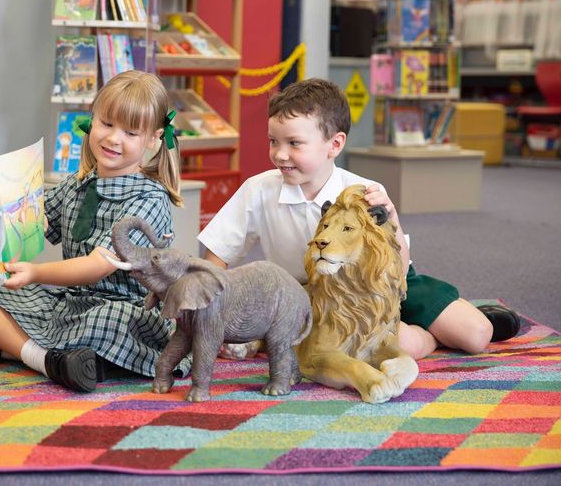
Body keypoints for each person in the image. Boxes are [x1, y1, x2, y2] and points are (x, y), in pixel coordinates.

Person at [198, 78, 520, 360]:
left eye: (294, 143)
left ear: (334, 144)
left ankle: (461, 320)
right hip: (312, 298)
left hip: (387, 286)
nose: (280, 154)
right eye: (273, 141)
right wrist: (209, 312)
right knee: (400, 345)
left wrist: (391, 216)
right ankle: (428, 337)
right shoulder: (258, 190)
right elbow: (217, 257)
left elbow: (400, 267)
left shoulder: (364, 192)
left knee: (476, 336)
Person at [0, 70, 191, 392]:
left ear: (153, 139)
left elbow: (99, 266)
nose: (113, 138)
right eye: (107, 124)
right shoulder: (77, 183)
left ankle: (5, 348)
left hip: (125, 307)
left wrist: (36, 273)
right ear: (91, 121)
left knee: (108, 323)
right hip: (68, 300)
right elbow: (37, 222)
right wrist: (13, 212)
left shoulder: (149, 199)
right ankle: (44, 359)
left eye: (130, 132)